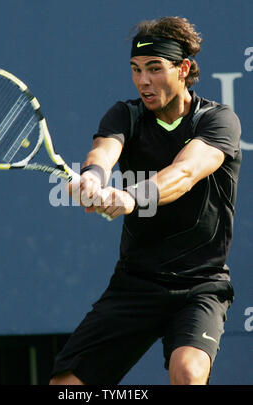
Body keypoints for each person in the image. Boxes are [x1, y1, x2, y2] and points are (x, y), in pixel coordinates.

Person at [49, 16, 241, 385]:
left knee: (187, 372)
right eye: (136, 70)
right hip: (135, 282)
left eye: (155, 69)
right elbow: (103, 153)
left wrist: (129, 197)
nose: (143, 81)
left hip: (200, 284)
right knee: (66, 385)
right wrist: (92, 180)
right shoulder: (126, 114)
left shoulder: (218, 120)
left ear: (183, 69)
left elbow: (184, 174)